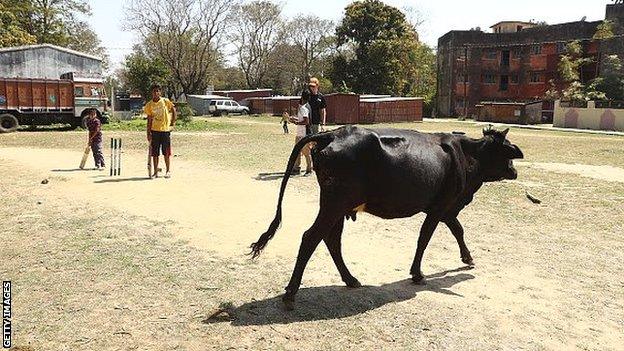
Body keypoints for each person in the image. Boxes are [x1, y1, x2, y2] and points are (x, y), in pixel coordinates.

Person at [144, 84, 177, 178]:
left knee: (166, 152)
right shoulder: (149, 105)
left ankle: (168, 171)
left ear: (160, 92)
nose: (156, 93)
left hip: (165, 131)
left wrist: (172, 123)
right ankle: (155, 172)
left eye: (158, 91)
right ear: (152, 93)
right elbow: (149, 120)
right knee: (155, 153)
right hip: (155, 131)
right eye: (154, 91)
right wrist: (148, 133)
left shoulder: (165, 101)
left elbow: (173, 110)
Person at [289, 90, 312, 175]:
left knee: (306, 153)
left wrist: (296, 123)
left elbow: (306, 121)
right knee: (298, 151)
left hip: (303, 134)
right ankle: (296, 169)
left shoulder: (303, 108)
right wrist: (295, 119)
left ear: (302, 97)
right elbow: (303, 119)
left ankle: (309, 169)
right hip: (301, 133)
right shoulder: (308, 106)